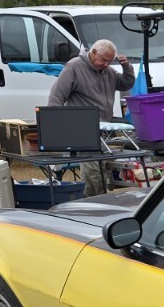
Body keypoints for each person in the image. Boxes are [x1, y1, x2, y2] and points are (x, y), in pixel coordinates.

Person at [47, 39, 134, 196]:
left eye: (109, 61)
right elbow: (55, 98)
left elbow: (125, 84)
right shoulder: (74, 67)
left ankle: (102, 203)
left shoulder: (108, 72)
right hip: (82, 130)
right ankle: (93, 205)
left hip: (104, 130)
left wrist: (127, 67)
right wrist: (59, 128)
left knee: (104, 173)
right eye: (104, 60)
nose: (106, 64)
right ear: (93, 53)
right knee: (93, 173)